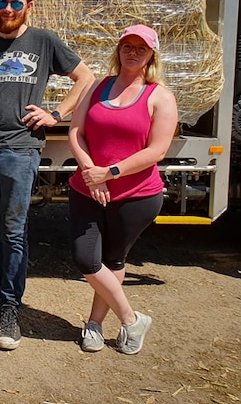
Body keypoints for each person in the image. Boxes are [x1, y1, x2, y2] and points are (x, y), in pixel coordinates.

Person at [0, 0, 94, 350]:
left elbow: (86, 78)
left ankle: (11, 309)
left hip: (21, 150)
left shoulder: (44, 41)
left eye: (16, 3)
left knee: (14, 231)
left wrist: (57, 114)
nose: (8, 9)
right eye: (2, 2)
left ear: (29, 6)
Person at [67, 24, 177, 355]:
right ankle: (131, 319)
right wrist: (91, 171)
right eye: (127, 47)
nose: (132, 53)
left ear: (151, 55)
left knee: (114, 260)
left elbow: (156, 151)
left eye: (140, 49)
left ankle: (95, 325)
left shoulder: (160, 97)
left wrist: (109, 173)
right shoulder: (98, 87)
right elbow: (76, 131)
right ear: (118, 51)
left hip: (136, 196)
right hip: (87, 188)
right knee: (86, 258)